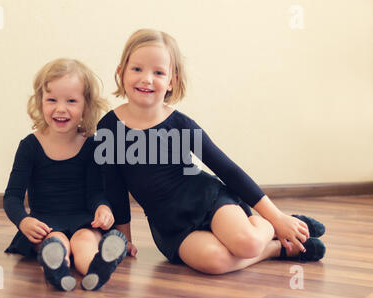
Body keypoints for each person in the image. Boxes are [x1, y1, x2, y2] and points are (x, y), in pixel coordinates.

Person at [95, 29, 326, 274]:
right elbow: (115, 187)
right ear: (121, 72)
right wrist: (124, 237)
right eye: (137, 69)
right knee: (215, 262)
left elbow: (228, 170)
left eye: (158, 72)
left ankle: (273, 224)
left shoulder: (181, 125)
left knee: (247, 244)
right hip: (169, 224)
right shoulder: (108, 128)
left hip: (206, 199)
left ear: (172, 81)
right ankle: (277, 249)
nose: (147, 79)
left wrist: (277, 216)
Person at [4, 58, 127, 291]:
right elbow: (12, 197)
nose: (60, 108)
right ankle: (57, 270)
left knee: (84, 242)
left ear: (86, 106)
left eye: (71, 101)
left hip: (84, 219)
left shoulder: (90, 145)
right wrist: (24, 221)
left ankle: (97, 269)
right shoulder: (30, 147)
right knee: (55, 243)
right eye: (52, 100)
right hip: (45, 222)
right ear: (40, 103)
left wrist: (103, 207)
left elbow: (94, 192)